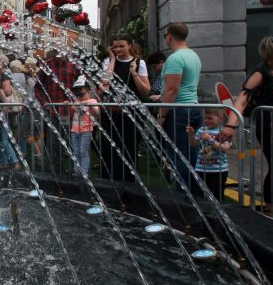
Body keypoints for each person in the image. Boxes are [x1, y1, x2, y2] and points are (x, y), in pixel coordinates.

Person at [222, 36, 273, 219]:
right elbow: (242, 101)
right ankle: (270, 209)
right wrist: (230, 126)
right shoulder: (260, 74)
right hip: (272, 129)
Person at [158, 22, 202, 192]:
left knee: (178, 155)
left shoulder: (175, 58)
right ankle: (195, 194)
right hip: (193, 107)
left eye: (165, 36)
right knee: (191, 155)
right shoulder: (193, 55)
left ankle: (184, 196)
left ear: (169, 35)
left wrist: (162, 114)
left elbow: (172, 89)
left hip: (179, 111)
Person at [99, 34, 149, 181]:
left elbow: (146, 90)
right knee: (108, 148)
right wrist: (113, 59)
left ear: (129, 46)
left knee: (129, 148)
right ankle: (108, 181)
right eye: (115, 46)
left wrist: (134, 74)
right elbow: (105, 82)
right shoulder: (108, 61)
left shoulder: (139, 63)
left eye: (122, 46)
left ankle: (129, 182)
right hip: (111, 112)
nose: (118, 49)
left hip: (131, 113)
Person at [34, 49, 79, 173]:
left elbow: (81, 86)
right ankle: (55, 171)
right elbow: (37, 87)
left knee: (72, 142)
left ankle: (73, 172)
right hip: (52, 111)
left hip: (71, 111)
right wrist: (45, 103)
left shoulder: (73, 66)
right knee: (53, 143)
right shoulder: (47, 66)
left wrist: (76, 101)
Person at [187, 108, 231, 201]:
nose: (207, 121)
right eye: (205, 118)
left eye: (210, 118)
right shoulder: (201, 130)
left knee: (217, 195)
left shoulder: (224, 132)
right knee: (200, 195)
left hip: (218, 170)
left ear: (220, 118)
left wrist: (210, 140)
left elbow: (224, 148)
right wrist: (191, 134)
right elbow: (194, 144)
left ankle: (217, 214)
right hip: (201, 168)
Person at [68, 77, 100, 175]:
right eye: (77, 94)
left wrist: (88, 104)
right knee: (76, 151)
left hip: (86, 130)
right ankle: (77, 171)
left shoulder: (92, 101)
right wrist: (68, 105)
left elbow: (97, 113)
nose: (79, 96)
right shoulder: (77, 101)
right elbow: (71, 112)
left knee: (83, 151)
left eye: (81, 94)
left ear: (88, 91)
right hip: (75, 129)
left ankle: (84, 172)